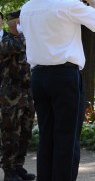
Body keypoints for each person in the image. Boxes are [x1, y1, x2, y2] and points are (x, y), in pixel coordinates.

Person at [20, 0, 95, 181]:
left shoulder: (26, 8)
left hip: (39, 77)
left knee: (47, 137)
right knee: (67, 139)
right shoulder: (66, 4)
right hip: (64, 77)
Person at [0, 11, 36, 181]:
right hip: (10, 96)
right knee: (10, 134)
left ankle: (18, 167)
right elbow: (17, 46)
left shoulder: (27, 39)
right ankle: (9, 170)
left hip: (27, 93)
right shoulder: (6, 42)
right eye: (20, 22)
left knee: (25, 132)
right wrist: (23, 32)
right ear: (13, 24)